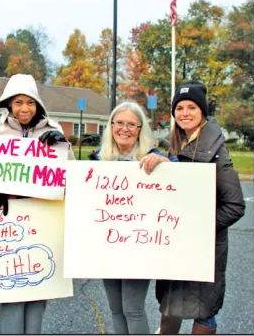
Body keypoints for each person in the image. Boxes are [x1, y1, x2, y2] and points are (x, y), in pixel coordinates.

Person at [0, 74, 75, 334]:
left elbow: (70, 174)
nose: (24, 109)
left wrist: (61, 146)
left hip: (43, 218)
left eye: (30, 103)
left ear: (38, 105)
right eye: (19, 102)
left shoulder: (51, 129)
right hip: (6, 219)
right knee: (10, 283)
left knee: (38, 284)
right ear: (9, 104)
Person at [151, 81, 245, 335]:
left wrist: (197, 227)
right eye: (179, 108)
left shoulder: (217, 153)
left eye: (191, 107)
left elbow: (234, 205)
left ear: (203, 110)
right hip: (174, 244)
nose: (184, 113)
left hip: (205, 248)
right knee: (171, 303)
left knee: (203, 309)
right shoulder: (173, 145)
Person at [92, 101, 168, 334]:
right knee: (115, 308)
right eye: (119, 123)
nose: (124, 129)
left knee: (133, 308)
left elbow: (176, 186)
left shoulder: (152, 158)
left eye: (131, 125)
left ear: (139, 129)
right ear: (111, 126)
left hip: (139, 244)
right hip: (108, 244)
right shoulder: (98, 160)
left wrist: (166, 164)